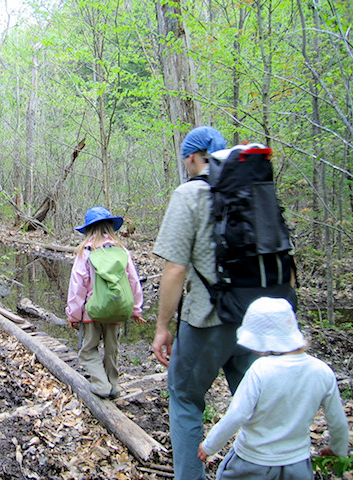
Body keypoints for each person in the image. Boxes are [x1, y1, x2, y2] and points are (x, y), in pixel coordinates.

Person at [151, 126, 258, 480]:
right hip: (256, 321)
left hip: (207, 320)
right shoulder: (253, 191)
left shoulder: (189, 195)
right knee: (256, 405)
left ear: (194, 158)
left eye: (186, 158)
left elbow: (175, 270)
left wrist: (163, 327)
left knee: (185, 398)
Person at [198, 297, 349, 479]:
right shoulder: (322, 371)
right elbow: (338, 422)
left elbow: (237, 415)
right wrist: (337, 449)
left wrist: (209, 446)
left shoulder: (260, 370)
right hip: (297, 464)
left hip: (252, 462)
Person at [66, 206, 145, 399]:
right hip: (117, 308)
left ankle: (101, 385)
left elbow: (78, 286)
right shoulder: (121, 251)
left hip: (92, 311)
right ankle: (113, 385)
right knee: (112, 350)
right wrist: (136, 309)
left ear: (88, 229)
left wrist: (73, 314)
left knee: (88, 350)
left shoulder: (85, 251)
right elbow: (133, 281)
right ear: (110, 227)